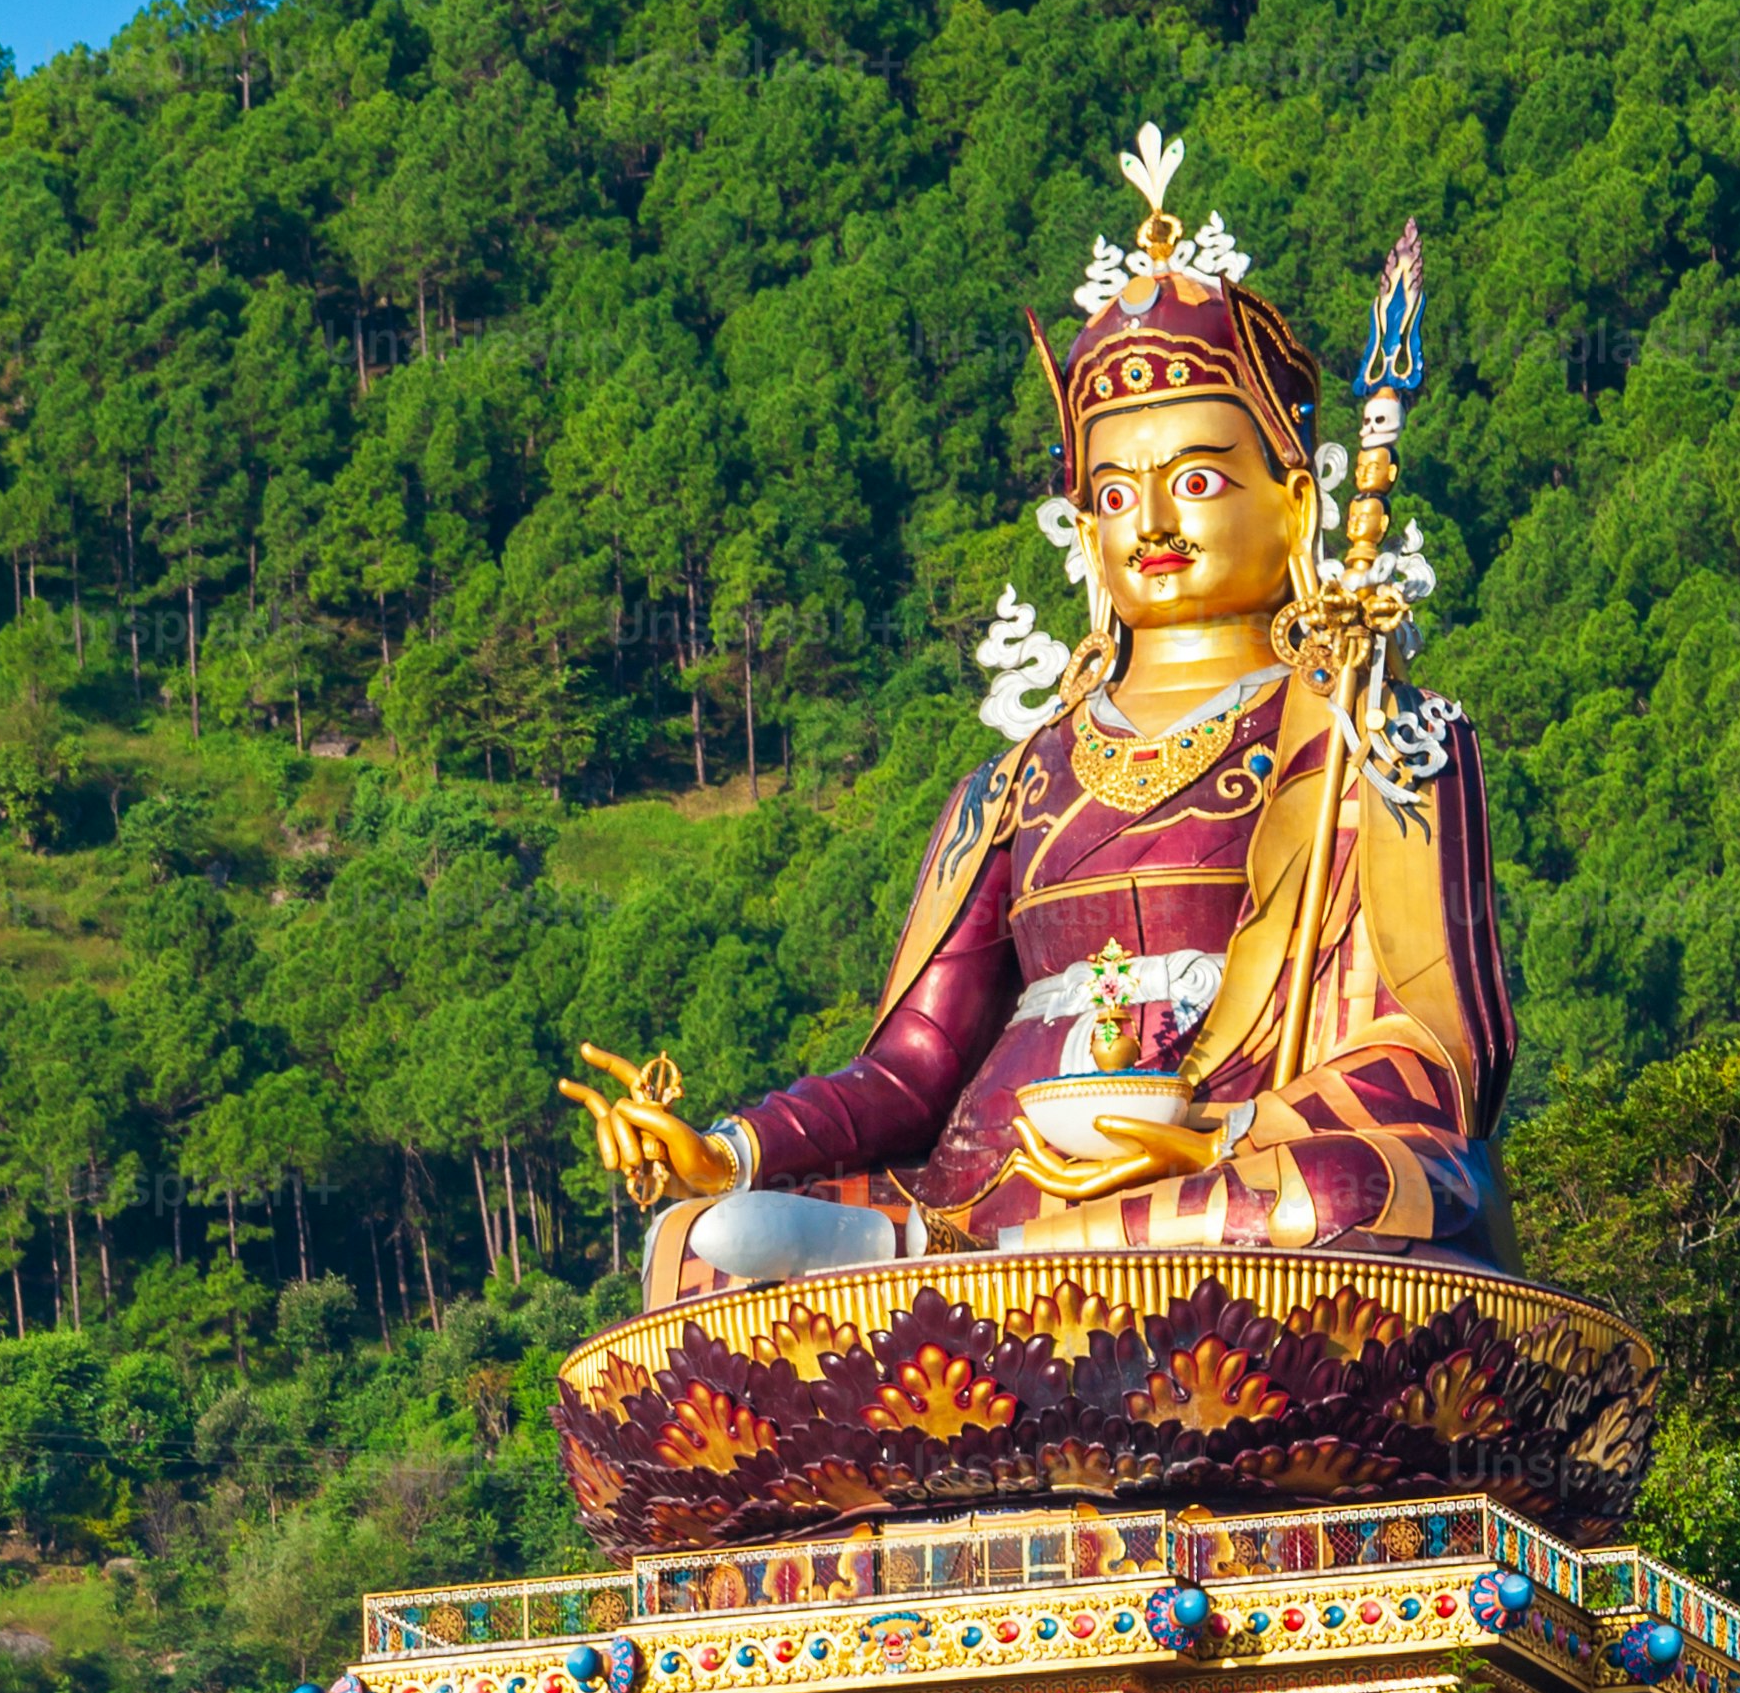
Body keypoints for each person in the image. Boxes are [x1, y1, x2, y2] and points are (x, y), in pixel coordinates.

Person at [560, 130, 1512, 1300]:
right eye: (1114, 493)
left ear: (1298, 498)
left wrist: (1227, 1138)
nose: (1152, 521)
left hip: (1226, 1180)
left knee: (1363, 1196)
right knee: (702, 1246)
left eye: (1200, 480)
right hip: (987, 1185)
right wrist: (734, 1148)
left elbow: (1431, 1056)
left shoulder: (1374, 732)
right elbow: (913, 1067)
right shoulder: (1012, 787)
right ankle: (940, 1261)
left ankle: (988, 1282)